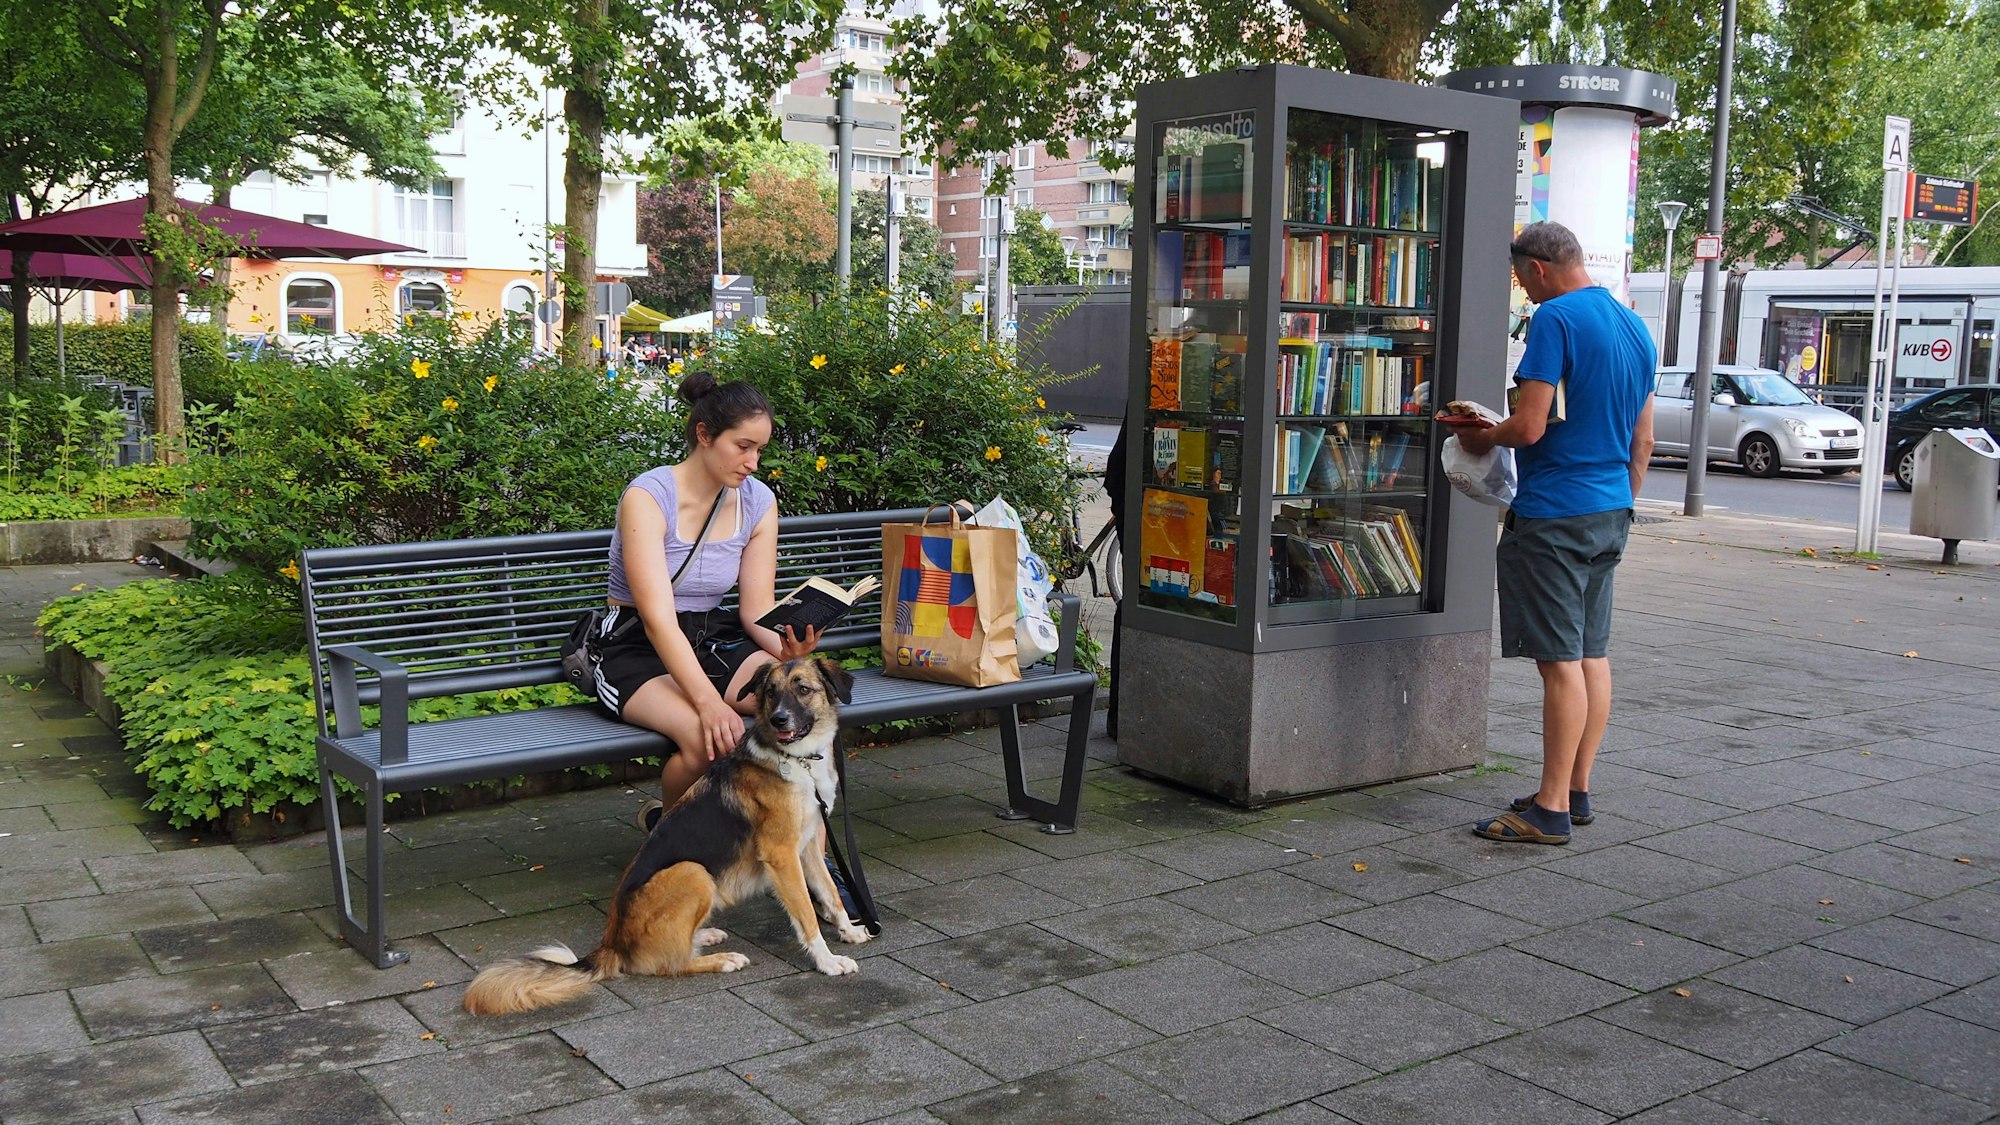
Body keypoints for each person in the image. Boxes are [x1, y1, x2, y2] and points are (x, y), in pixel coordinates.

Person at [1438, 220, 1655, 845]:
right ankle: (1576, 789)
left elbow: (1529, 427)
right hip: (1610, 508)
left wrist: (1477, 434)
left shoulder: (1555, 320)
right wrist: (1619, 502)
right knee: (1591, 655)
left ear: (1537, 268)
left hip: (1556, 513)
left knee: (1559, 665)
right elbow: (1642, 441)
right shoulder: (1634, 326)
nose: (1524, 293)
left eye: (1520, 279)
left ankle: (1550, 810)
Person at [595, 370, 821, 829]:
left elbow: (756, 609)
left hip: (707, 637)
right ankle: (669, 840)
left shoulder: (757, 502)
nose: (753, 462)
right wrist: (708, 701)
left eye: (760, 449)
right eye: (743, 447)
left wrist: (785, 650)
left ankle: (800, 854)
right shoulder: (649, 497)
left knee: (801, 711)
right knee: (705, 738)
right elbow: (658, 620)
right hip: (633, 642)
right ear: (704, 435)